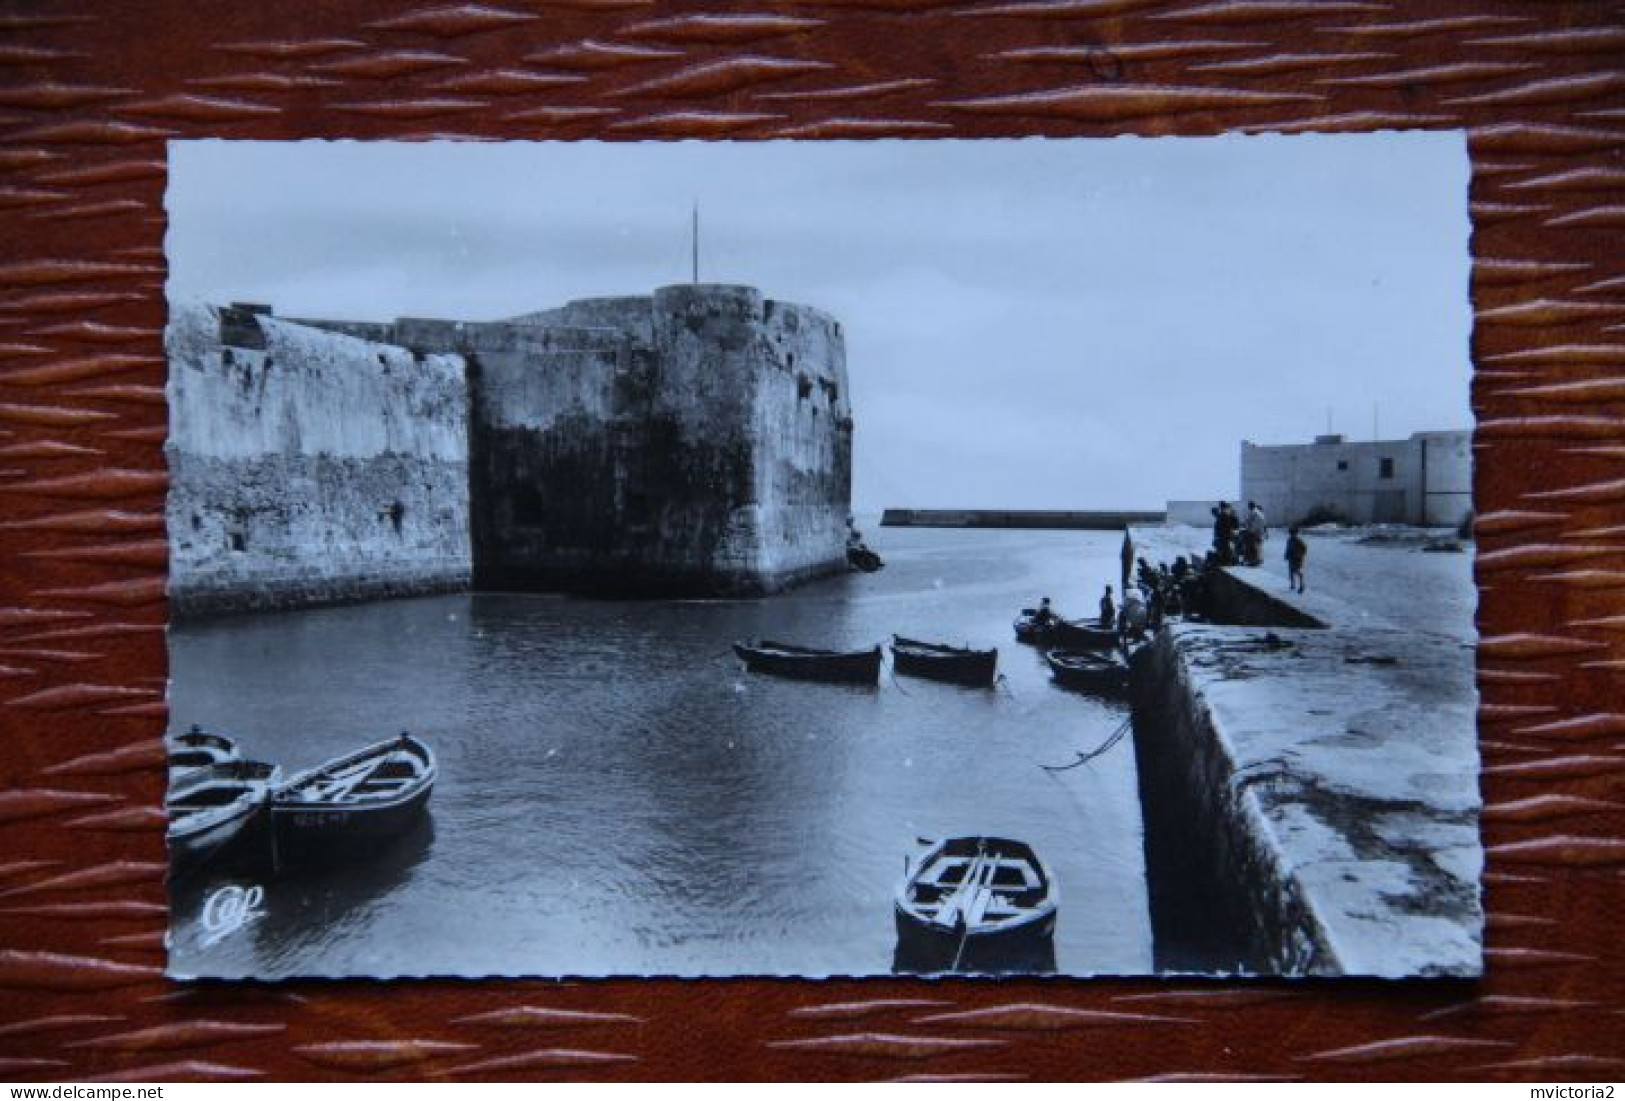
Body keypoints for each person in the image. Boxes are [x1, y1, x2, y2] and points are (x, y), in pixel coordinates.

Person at [1286, 526, 1308, 593]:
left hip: (1297, 559)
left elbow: (1304, 549)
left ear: (1296, 533)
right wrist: (1286, 554)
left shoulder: (1299, 541)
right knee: (1291, 572)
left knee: (1298, 572)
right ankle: (1293, 585)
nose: (1292, 534)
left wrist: (1299, 555)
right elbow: (1288, 548)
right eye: (1291, 533)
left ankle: (1302, 586)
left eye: (1293, 533)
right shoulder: (1289, 540)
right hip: (1291, 558)